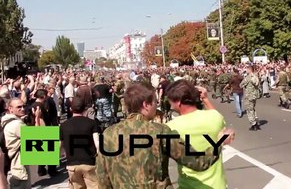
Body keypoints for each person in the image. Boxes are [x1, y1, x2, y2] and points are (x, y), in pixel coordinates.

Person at [96, 83, 234, 188]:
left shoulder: (109, 134)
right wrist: (220, 141)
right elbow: (198, 162)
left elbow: (102, 177)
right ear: (146, 105)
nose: (157, 106)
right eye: (155, 102)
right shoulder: (159, 131)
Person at [166, 80, 229, 189]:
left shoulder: (171, 127)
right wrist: (205, 99)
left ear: (179, 102)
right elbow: (217, 116)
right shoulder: (215, 118)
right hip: (217, 185)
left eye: (170, 102)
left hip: (189, 186)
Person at [60, 96, 99, 188]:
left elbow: (60, 146)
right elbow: (97, 143)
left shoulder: (63, 125)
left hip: (72, 164)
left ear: (70, 109)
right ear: (85, 109)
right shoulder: (92, 123)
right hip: (89, 163)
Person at [240, 65, 261, 131]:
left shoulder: (247, 78)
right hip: (254, 95)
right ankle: (256, 122)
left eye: (247, 69)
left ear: (249, 70)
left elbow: (241, 85)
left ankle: (253, 124)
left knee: (249, 110)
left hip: (248, 96)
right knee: (253, 109)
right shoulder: (256, 77)